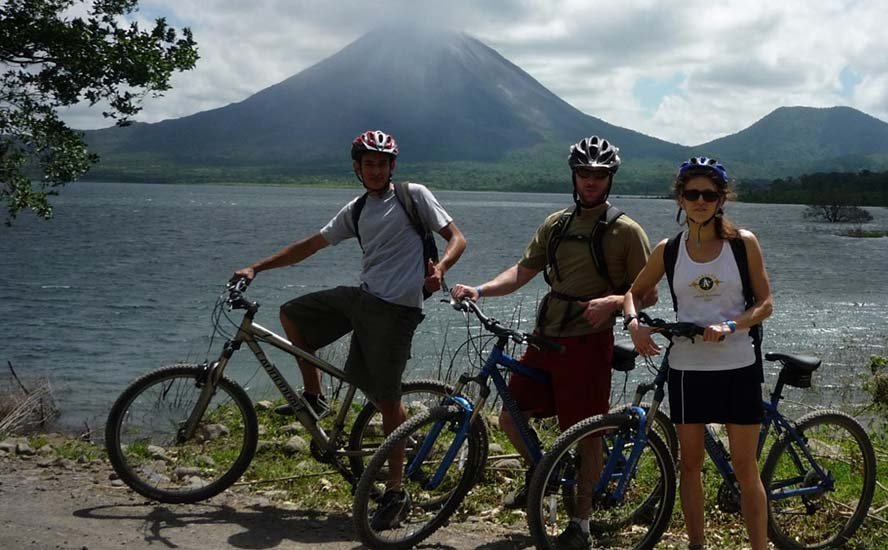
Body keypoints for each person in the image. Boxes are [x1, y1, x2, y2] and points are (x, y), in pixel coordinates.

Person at [231, 129, 466, 530]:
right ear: (357, 168)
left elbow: (457, 238)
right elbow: (309, 245)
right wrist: (257, 267)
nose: (375, 170)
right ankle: (314, 395)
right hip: (363, 300)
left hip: (396, 312)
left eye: (382, 163)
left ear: (392, 166)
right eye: (367, 164)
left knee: (387, 399)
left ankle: (396, 491)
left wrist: (440, 269)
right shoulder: (357, 210)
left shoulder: (413, 196)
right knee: (293, 314)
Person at [450, 135, 653, 549]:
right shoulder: (557, 224)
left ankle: (581, 524)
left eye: (598, 175)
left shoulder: (627, 231)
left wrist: (614, 302)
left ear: (609, 178)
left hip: (588, 343)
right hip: (546, 337)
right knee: (511, 417)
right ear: (574, 177)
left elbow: (647, 292)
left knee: (585, 432)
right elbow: (523, 271)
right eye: (584, 174)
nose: (590, 181)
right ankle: (547, 474)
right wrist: (481, 290)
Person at [621, 157, 773, 550]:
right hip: (687, 369)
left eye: (709, 194)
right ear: (680, 199)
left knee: (745, 469)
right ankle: (697, 546)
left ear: (722, 199)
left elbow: (765, 304)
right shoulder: (668, 250)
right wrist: (635, 324)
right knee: (690, 467)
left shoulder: (742, 244)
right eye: (692, 194)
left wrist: (732, 325)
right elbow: (632, 295)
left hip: (738, 366)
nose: (700, 201)